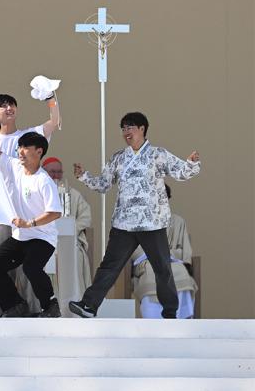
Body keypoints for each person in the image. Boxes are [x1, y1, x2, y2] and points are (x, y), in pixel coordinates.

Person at [69, 112, 201, 319]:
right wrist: (84, 176)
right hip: (124, 224)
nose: (126, 132)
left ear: (142, 129)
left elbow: (181, 173)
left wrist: (191, 163)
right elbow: (104, 184)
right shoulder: (118, 158)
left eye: (130, 127)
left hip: (152, 222)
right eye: (123, 128)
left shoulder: (158, 154)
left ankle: (170, 313)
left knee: (162, 268)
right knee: (109, 266)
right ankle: (89, 305)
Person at [0, 92, 60, 314]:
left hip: (32, 224)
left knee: (30, 268)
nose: (9, 108)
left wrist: (51, 98)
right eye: (2, 106)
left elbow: (54, 122)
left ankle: (41, 309)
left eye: (12, 104)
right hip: (3, 213)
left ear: (37, 151)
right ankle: (11, 308)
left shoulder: (30, 138)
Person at [131, 184, 197, 319]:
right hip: (148, 261)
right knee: (151, 273)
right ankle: (152, 316)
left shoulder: (178, 221)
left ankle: (180, 317)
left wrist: (168, 255)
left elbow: (184, 249)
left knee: (182, 272)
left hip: (173, 261)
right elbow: (135, 249)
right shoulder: (139, 220)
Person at [42, 156, 94, 297]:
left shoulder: (73, 194)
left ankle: (73, 300)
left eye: (59, 172)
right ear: (43, 172)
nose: (56, 175)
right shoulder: (37, 193)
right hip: (42, 241)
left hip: (69, 242)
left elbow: (85, 217)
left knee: (75, 256)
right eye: (52, 171)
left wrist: (71, 229)